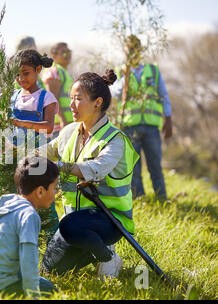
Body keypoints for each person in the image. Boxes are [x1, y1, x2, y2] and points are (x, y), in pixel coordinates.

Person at [38, 70, 139, 278]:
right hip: (75, 219)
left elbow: (94, 170)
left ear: (97, 102)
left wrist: (56, 166)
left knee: (68, 226)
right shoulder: (69, 132)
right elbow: (43, 152)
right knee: (50, 270)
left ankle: (108, 257)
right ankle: (93, 250)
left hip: (109, 219)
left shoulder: (115, 140)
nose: (71, 105)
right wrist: (19, 154)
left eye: (78, 99)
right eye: (71, 99)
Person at [0, 156, 58, 298]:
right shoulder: (29, 215)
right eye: (54, 187)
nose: (56, 192)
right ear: (40, 191)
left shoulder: (6, 205)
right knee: (48, 288)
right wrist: (33, 297)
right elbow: (28, 262)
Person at [110, 35, 173, 200]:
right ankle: (140, 198)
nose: (132, 52)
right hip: (129, 127)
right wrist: (125, 78)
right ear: (124, 51)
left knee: (155, 166)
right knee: (134, 168)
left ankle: (162, 198)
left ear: (140, 50)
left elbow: (164, 96)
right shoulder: (120, 72)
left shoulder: (152, 71)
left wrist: (168, 119)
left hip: (152, 127)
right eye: (129, 49)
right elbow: (114, 93)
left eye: (135, 49)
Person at [9, 49, 60, 240]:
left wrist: (24, 123)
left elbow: (48, 127)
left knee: (45, 202)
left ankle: (52, 243)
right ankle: (24, 239)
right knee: (19, 199)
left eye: (26, 73)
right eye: (18, 74)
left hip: (39, 161)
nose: (21, 78)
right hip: (16, 160)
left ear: (38, 69)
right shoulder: (13, 97)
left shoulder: (46, 98)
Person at [41, 42, 74, 135]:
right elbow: (52, 99)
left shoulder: (63, 71)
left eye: (69, 52)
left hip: (67, 124)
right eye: (63, 52)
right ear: (53, 55)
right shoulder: (54, 71)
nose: (67, 55)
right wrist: (63, 120)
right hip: (58, 126)